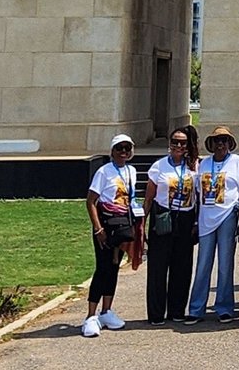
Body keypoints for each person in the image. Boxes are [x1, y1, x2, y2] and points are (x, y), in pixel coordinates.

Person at [186, 125, 239, 324]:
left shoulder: (238, 162)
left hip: (228, 215)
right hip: (206, 218)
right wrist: (196, 221)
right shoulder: (204, 164)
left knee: (225, 264)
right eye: (217, 141)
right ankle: (196, 308)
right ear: (211, 144)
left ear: (230, 143)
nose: (220, 144)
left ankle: (224, 307)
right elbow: (197, 195)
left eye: (224, 140)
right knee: (203, 264)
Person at [81, 134, 141, 336]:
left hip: (123, 224)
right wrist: (98, 228)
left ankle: (106, 310)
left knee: (114, 268)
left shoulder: (131, 171)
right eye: (119, 148)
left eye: (127, 148)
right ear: (112, 151)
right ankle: (90, 315)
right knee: (103, 268)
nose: (123, 152)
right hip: (106, 225)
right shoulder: (104, 172)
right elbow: (91, 201)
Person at [144, 126, 199, 325]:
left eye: (183, 142)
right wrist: (141, 225)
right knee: (158, 267)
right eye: (175, 141)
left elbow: (198, 197)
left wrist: (196, 222)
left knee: (182, 267)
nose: (178, 146)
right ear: (169, 143)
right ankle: (156, 313)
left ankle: (177, 310)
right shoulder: (159, 166)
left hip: (185, 218)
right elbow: (148, 199)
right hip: (163, 217)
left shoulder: (194, 166)